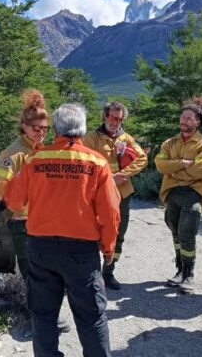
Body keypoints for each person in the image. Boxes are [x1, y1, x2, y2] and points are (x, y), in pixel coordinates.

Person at [5, 103, 121, 357]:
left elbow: (13, 200)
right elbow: (110, 213)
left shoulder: (35, 160)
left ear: (56, 129)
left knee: (43, 315)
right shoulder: (97, 162)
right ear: (82, 130)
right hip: (81, 252)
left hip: (40, 248)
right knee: (91, 316)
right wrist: (108, 248)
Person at [0, 89, 69, 334]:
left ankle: (46, 314)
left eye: (45, 128)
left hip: (44, 221)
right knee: (31, 273)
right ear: (24, 127)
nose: (41, 132)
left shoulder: (42, 150)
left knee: (47, 269)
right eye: (37, 128)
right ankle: (39, 320)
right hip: (22, 222)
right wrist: (16, 203)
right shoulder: (14, 153)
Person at [155, 96, 202, 295]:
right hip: (173, 192)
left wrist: (174, 170)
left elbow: (201, 169)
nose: (184, 121)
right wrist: (182, 164)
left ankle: (188, 275)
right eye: (182, 117)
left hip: (194, 193)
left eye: (189, 118)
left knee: (187, 232)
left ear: (198, 122)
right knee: (175, 231)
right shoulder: (170, 143)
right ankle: (179, 270)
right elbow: (160, 164)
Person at [83, 101, 148, 290]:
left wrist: (123, 174)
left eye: (118, 119)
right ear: (105, 116)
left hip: (121, 193)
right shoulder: (91, 138)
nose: (114, 121)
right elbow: (83, 160)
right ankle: (91, 274)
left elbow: (142, 158)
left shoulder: (126, 138)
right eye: (111, 117)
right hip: (96, 193)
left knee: (118, 234)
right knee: (92, 233)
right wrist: (107, 178)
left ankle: (108, 272)